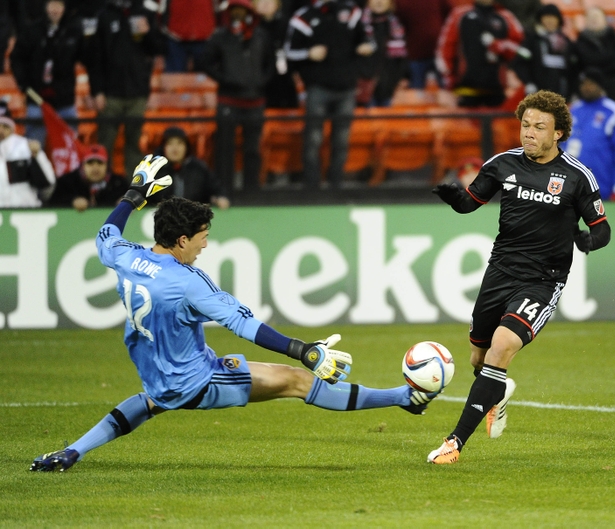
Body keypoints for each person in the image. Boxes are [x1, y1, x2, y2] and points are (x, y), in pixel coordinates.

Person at [29, 155, 438, 472]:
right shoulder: (188, 281)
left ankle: (71, 452)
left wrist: (135, 193)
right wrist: (304, 351)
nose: (205, 246)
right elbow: (242, 323)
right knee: (297, 381)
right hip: (196, 380)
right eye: (203, 238)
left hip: (156, 372)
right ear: (182, 239)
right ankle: (405, 398)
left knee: (148, 401)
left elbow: (107, 233)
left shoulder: (125, 257)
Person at [428, 90, 612, 464]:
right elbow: (470, 203)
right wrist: (453, 197)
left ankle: (454, 443)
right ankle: (499, 392)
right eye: (525, 125)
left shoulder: (577, 177)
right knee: (479, 360)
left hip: (543, 280)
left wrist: (589, 239)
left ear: (558, 133)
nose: (529, 133)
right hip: (500, 272)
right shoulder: (502, 164)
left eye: (539, 127)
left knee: (500, 348)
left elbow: (603, 228)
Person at [284, 0, 375, 189]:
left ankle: (336, 185)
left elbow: (369, 41)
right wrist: (308, 53)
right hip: (318, 88)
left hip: (346, 88)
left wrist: (366, 47)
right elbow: (289, 52)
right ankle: (311, 186)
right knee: (313, 139)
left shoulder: (351, 12)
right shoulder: (304, 16)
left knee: (341, 140)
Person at [201, 0, 273, 195]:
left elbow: (271, 63)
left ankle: (252, 190)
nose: (238, 14)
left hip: (255, 100)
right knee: (224, 148)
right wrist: (225, 80)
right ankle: (224, 190)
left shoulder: (261, 36)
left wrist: (261, 81)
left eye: (242, 9)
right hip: (228, 100)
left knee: (253, 149)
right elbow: (205, 62)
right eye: (235, 10)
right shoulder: (221, 36)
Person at [89, 0, 166, 179]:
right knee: (105, 141)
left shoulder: (145, 13)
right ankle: (102, 185)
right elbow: (95, 56)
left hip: (137, 91)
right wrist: (97, 91)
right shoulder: (104, 15)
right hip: (110, 93)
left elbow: (159, 48)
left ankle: (134, 188)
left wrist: (148, 33)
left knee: (134, 143)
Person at [9, 0, 89, 146]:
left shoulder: (73, 31)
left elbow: (88, 59)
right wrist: (24, 85)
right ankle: (33, 169)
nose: (55, 9)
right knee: (33, 148)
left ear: (65, 7)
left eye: (59, 5)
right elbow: (16, 58)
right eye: (52, 4)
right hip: (37, 99)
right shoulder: (32, 30)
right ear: (45, 6)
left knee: (69, 147)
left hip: (65, 101)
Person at [436, 0, 526, 108]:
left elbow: (522, 49)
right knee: (466, 123)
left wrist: (499, 45)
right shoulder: (460, 14)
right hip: (466, 87)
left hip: (495, 88)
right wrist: (448, 78)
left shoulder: (506, 16)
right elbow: (445, 47)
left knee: (498, 123)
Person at [561, 67, 615, 200]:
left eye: (591, 83)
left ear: (600, 85)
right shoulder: (573, 110)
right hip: (570, 192)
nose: (586, 87)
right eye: (583, 83)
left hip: (602, 192)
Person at [149, 126, 230, 209]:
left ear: (186, 146)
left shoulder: (198, 168)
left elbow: (216, 190)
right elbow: (141, 194)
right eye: (170, 143)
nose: (175, 148)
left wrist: (220, 198)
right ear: (163, 147)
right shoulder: (153, 170)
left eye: (179, 143)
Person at [511, 3, 577, 100]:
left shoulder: (567, 42)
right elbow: (519, 63)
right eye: (546, 17)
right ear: (540, 19)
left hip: (562, 94)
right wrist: (528, 82)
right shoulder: (531, 40)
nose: (550, 20)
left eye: (553, 17)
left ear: (559, 20)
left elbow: (574, 68)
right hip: (536, 93)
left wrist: (572, 90)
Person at [0, 100, 56, 208]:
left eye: (5, 127)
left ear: (12, 129)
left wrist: (37, 157)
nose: (0, 131)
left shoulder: (26, 147)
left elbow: (48, 183)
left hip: (25, 211)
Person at [573, 6, 615, 105]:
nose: (594, 19)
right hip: (591, 91)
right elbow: (585, 62)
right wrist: (610, 60)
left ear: (604, 20)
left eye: (597, 16)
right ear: (585, 21)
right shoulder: (579, 42)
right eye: (591, 17)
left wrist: (598, 64)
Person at [47, 143, 129, 210]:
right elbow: (52, 203)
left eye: (100, 163)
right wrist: (72, 201)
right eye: (90, 163)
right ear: (82, 165)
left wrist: (129, 203)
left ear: (107, 166)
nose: (95, 168)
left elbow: (138, 200)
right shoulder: (67, 182)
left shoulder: (119, 183)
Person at [358, 0, 408, 107]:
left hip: (387, 87)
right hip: (363, 85)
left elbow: (401, 59)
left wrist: (397, 79)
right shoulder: (358, 25)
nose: (379, 2)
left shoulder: (396, 25)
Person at [394, 0, 452, 89]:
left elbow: (449, 16)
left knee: (446, 89)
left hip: (439, 53)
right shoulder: (402, 2)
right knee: (416, 92)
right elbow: (398, 22)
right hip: (415, 54)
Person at [158, 0, 218, 72]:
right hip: (175, 39)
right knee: (174, 78)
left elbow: (222, 6)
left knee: (206, 78)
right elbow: (157, 8)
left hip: (206, 38)